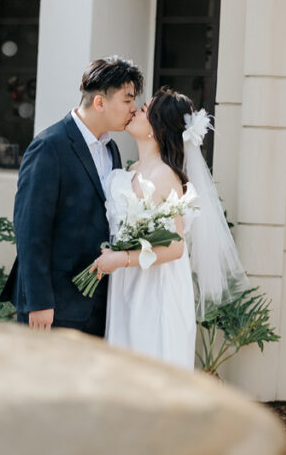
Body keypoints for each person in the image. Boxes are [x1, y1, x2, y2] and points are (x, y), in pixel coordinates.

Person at [92, 87, 248, 369]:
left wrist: (121, 258)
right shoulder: (132, 169)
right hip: (128, 283)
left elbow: (174, 247)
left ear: (157, 127)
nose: (135, 110)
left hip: (155, 288)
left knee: (150, 367)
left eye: (144, 110)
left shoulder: (165, 176)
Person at [1, 56, 144, 336]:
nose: (134, 108)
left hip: (99, 303)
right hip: (54, 304)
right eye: (127, 100)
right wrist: (39, 301)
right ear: (100, 102)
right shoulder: (48, 147)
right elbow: (31, 230)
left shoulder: (111, 149)